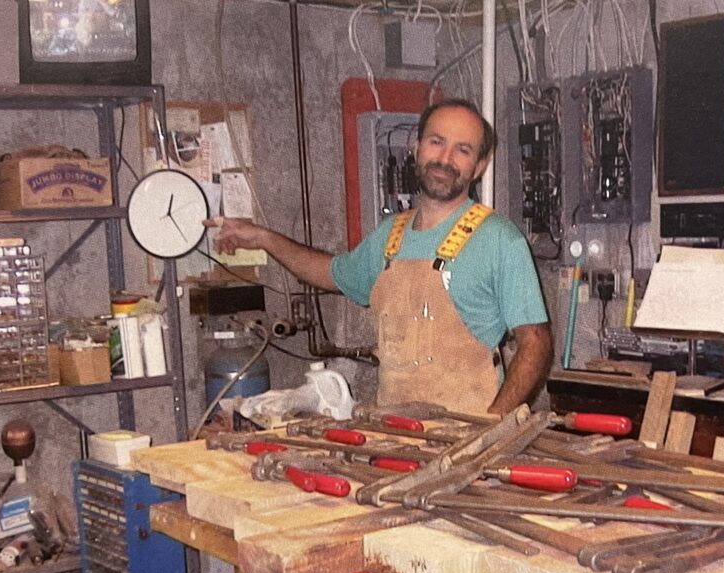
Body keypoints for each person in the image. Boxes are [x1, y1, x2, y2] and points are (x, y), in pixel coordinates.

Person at [207, 98, 552, 416]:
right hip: (397, 440)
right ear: (415, 148)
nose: (445, 159)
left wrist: (491, 428)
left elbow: (535, 344)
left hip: (468, 444)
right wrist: (263, 238)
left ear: (479, 165)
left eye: (462, 150)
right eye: (436, 141)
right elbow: (329, 273)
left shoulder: (499, 239)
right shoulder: (390, 237)